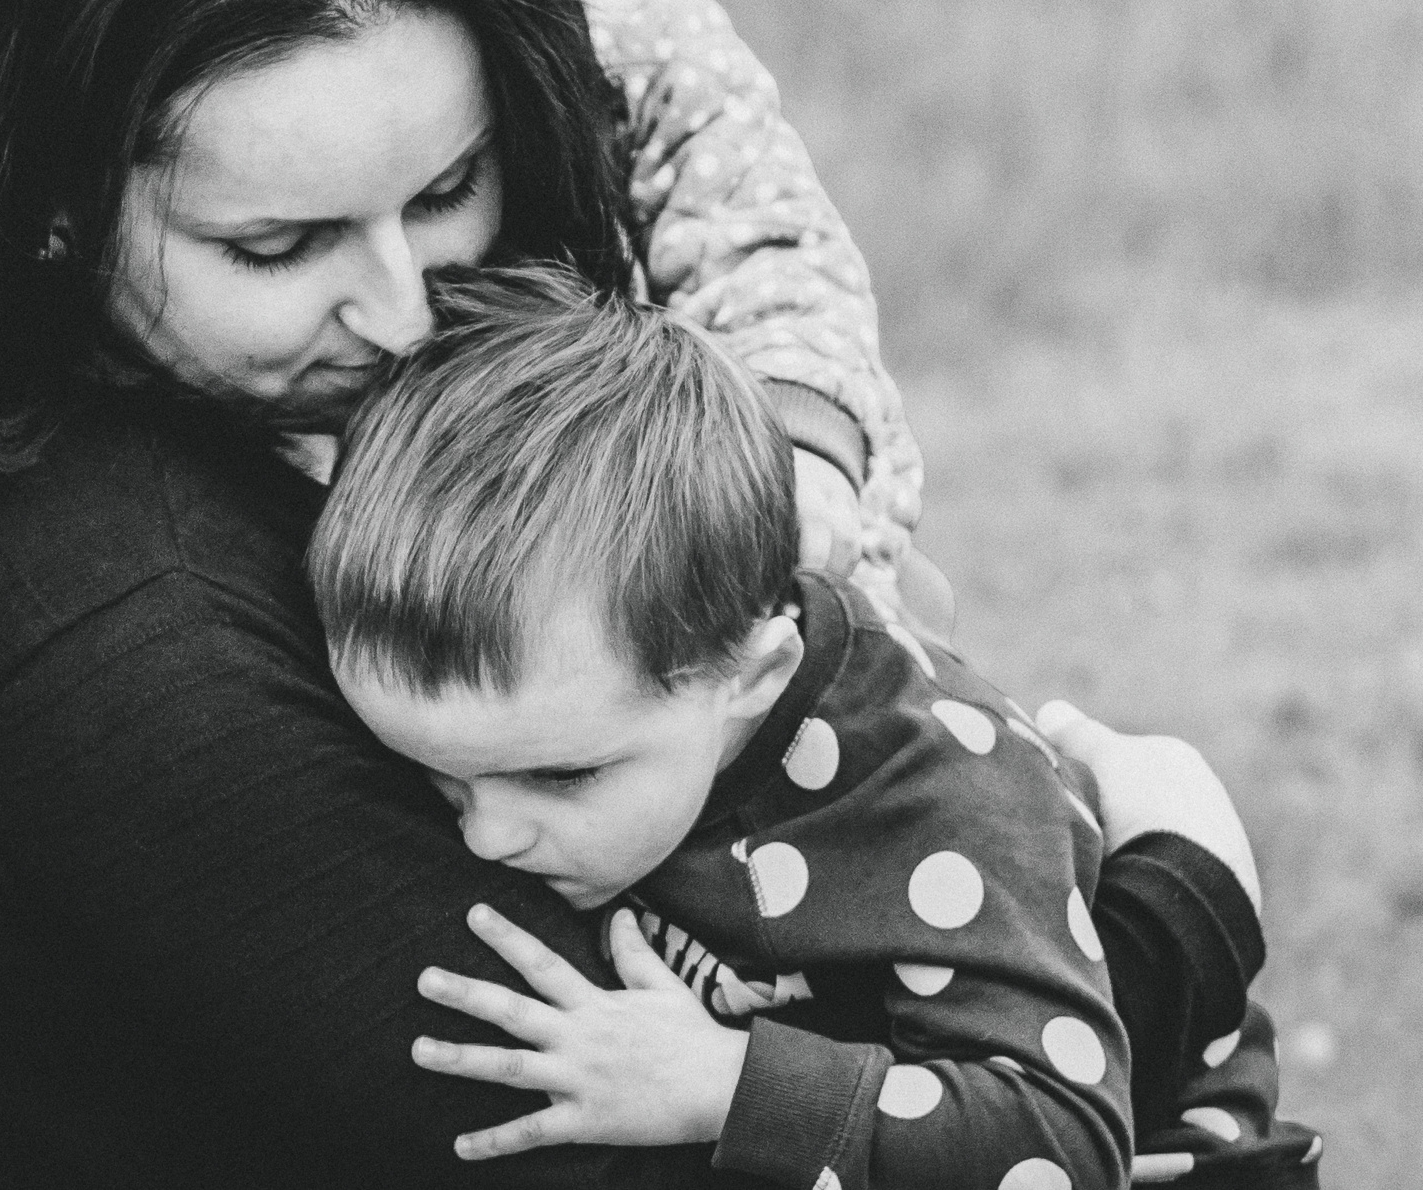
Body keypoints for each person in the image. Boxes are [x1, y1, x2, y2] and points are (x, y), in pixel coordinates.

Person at [0, 0, 1268, 1188]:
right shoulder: (111, 633)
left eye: (448, 187)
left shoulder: (235, 435)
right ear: (47, 211)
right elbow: (630, 1149)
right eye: (278, 243)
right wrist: (1171, 927)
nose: (398, 311)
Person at [305, 266, 1321, 1186]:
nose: (486, 836)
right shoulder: (611, 710)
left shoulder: (934, 791)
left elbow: (1061, 1144)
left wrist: (726, 1083)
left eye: (562, 779)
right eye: (438, 779)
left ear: (753, 677)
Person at [149, 0, 952, 634]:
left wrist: (794, 461)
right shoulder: (241, 108)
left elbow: (777, 262)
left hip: (717, 572)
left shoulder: (623, 33)